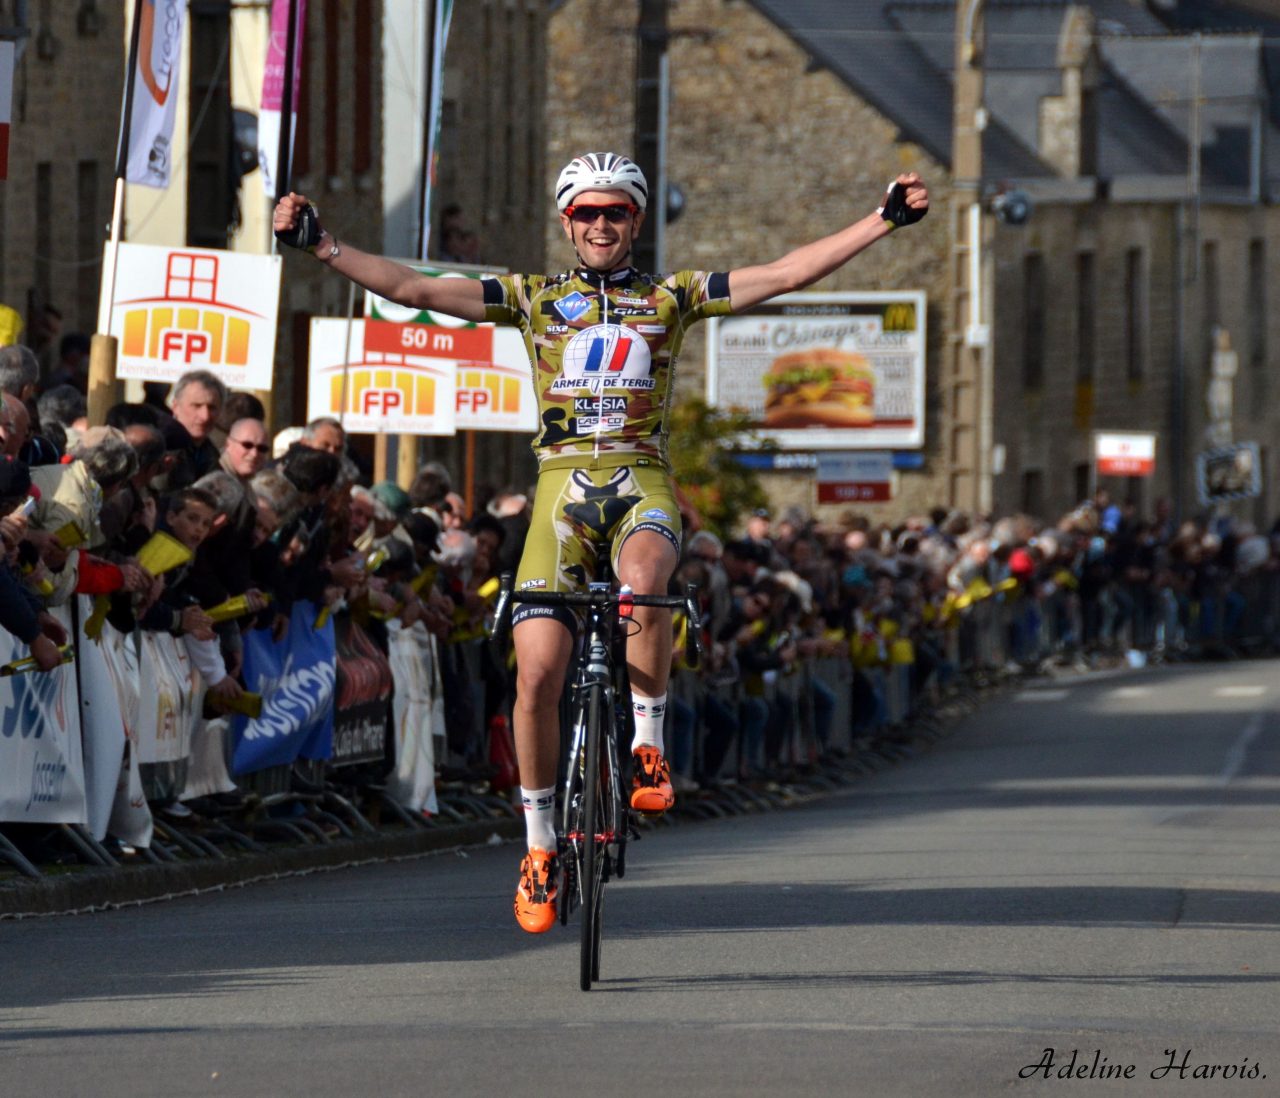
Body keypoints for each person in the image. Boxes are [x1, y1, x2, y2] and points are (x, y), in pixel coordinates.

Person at [274, 151, 929, 932]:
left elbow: (784, 274)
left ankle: (648, 746)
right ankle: (541, 847)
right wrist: (323, 246)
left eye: (615, 211)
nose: (600, 224)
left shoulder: (671, 298)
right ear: (567, 223)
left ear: (636, 221)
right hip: (559, 493)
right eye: (586, 213)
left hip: (639, 480)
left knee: (648, 574)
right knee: (536, 677)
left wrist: (882, 220)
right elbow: (416, 289)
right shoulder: (531, 297)